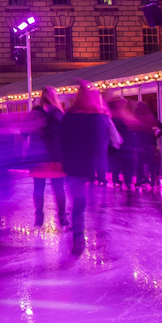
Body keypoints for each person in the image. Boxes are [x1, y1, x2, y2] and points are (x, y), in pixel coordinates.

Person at [60, 82, 118, 256]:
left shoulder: (69, 116)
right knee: (94, 206)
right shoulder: (100, 118)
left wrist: (64, 163)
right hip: (92, 168)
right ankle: (100, 235)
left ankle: (78, 238)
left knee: (78, 204)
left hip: (73, 167)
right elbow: (102, 146)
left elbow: (63, 142)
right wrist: (101, 172)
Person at [27, 86, 68, 227]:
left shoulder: (34, 113)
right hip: (55, 157)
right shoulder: (59, 114)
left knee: (38, 188)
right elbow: (65, 135)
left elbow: (23, 132)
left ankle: (39, 216)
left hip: (38, 157)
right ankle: (62, 217)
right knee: (59, 188)